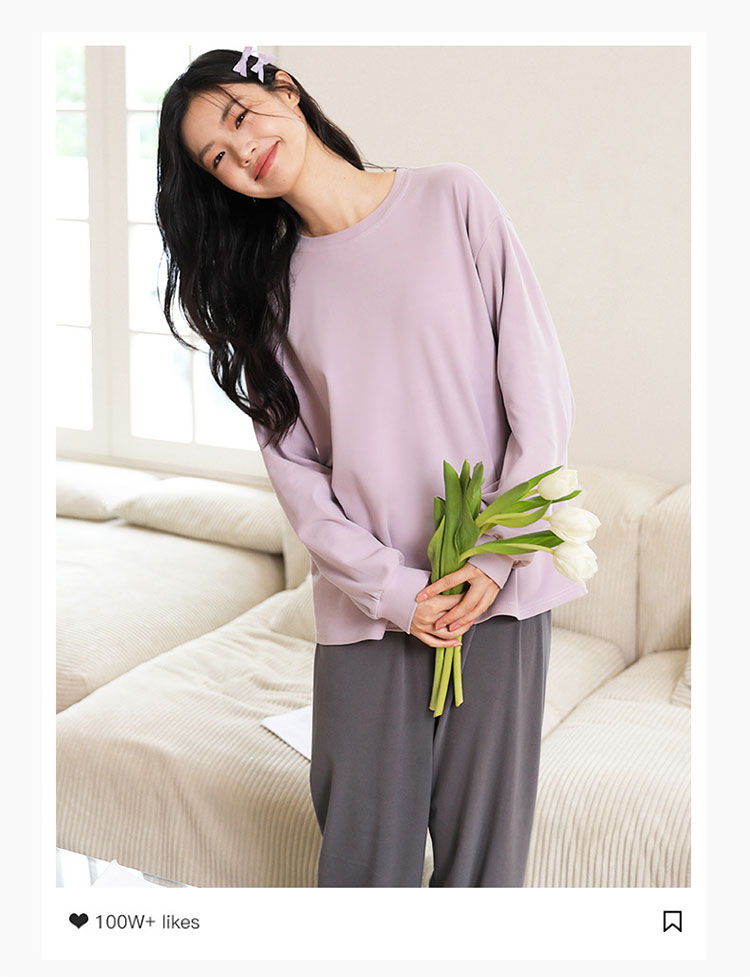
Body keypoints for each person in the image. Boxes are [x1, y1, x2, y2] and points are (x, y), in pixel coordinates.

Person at [156, 47, 588, 888]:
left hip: (496, 592)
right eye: (218, 157)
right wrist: (394, 591)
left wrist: (494, 560)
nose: (243, 152)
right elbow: (300, 481)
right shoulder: (267, 295)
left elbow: (538, 396)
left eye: (240, 118)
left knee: (484, 872)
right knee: (362, 868)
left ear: (284, 88)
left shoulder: (452, 198)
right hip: (371, 608)